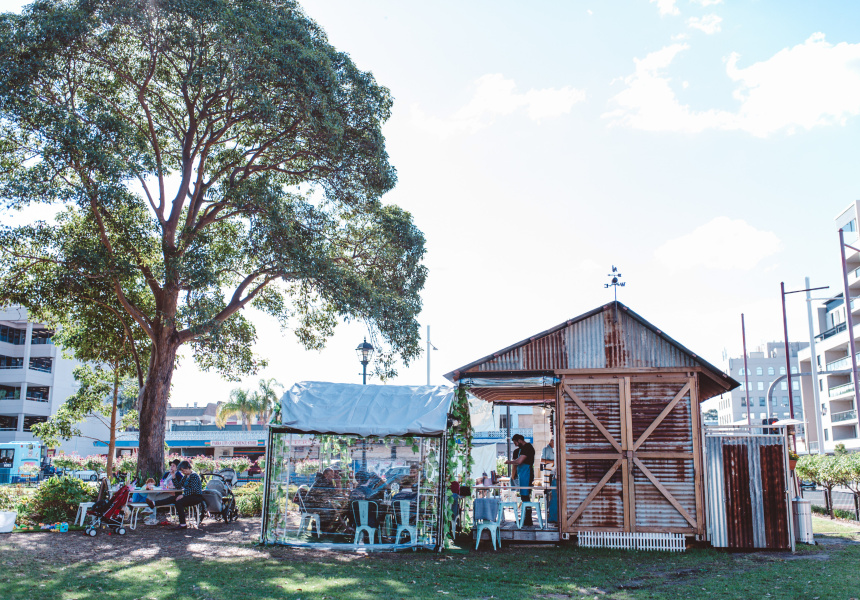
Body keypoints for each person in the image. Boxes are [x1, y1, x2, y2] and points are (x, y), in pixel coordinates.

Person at [505, 433, 536, 526]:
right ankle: (524, 517)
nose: (515, 445)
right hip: (521, 474)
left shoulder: (528, 448)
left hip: (527, 474)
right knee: (523, 497)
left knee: (526, 497)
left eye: (515, 442)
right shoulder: (520, 449)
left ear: (519, 440)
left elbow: (519, 461)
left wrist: (508, 462)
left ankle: (528, 519)